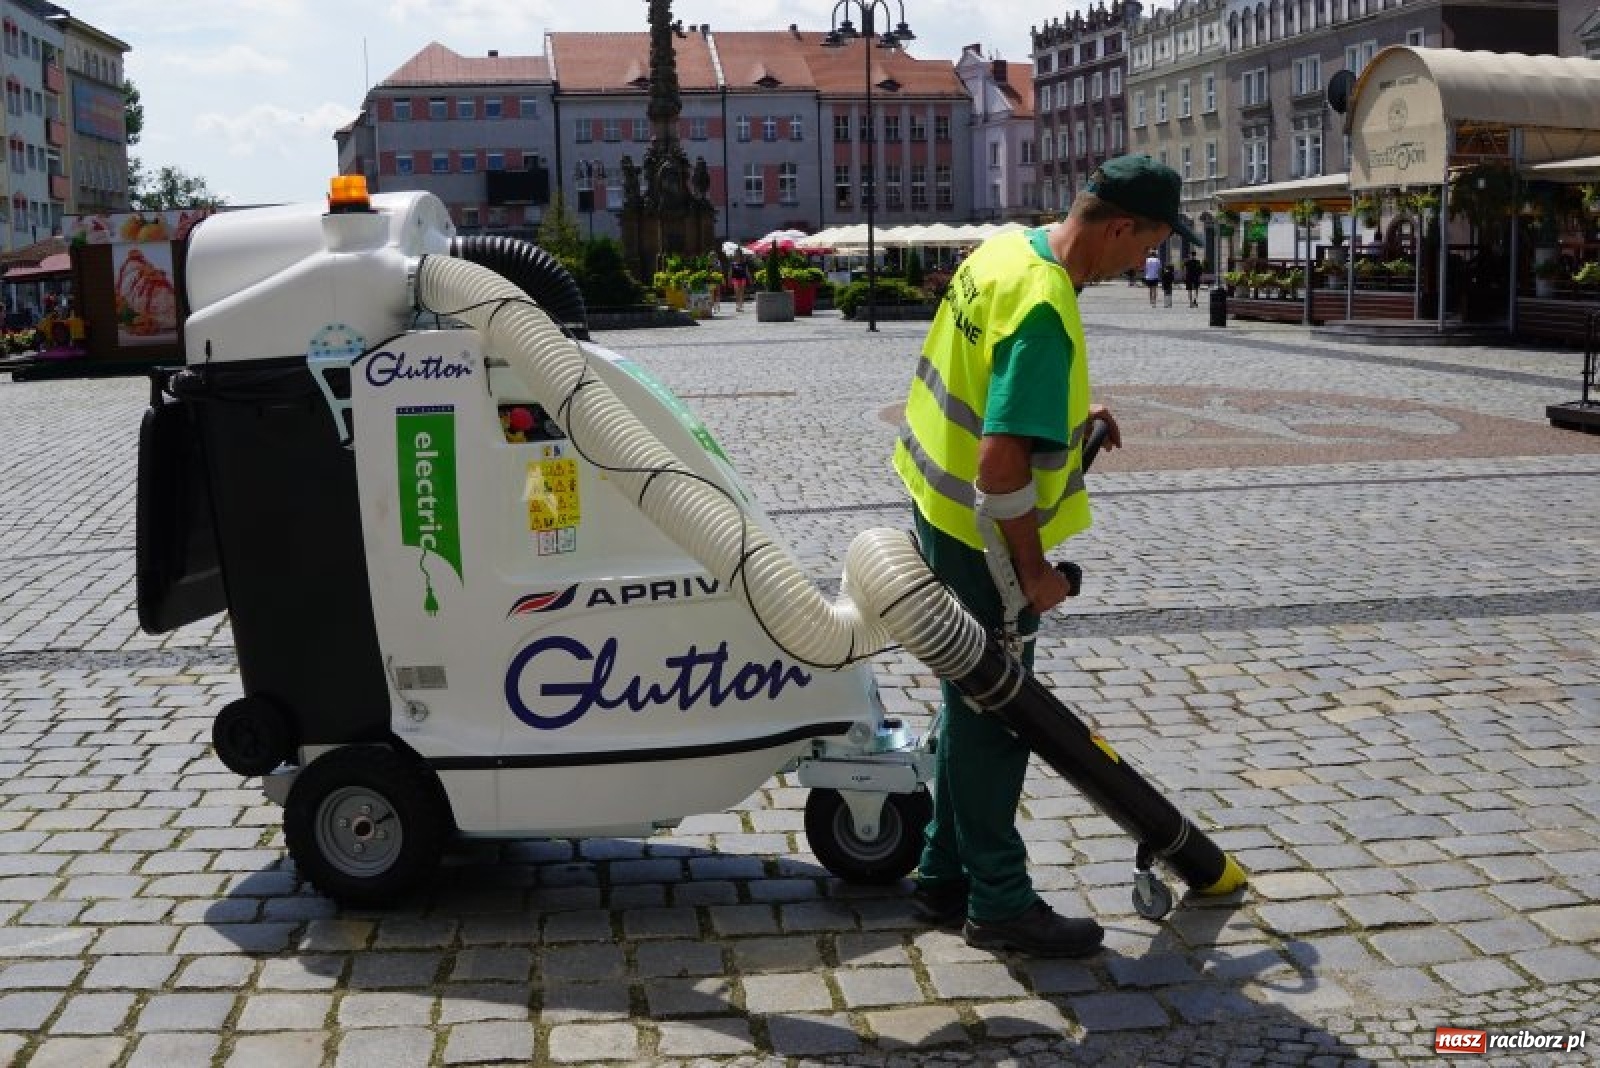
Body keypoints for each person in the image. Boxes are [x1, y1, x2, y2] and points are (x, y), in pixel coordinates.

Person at [893, 154, 1201, 957]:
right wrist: (1033, 573)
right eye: (1148, 247)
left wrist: (1063, 413)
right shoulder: (1044, 303)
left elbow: (993, 384)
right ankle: (998, 901)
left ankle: (941, 874)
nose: (1144, 265)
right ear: (1121, 226)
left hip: (934, 510)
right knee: (999, 715)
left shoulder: (1006, 250)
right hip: (985, 543)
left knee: (968, 700)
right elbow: (1000, 468)